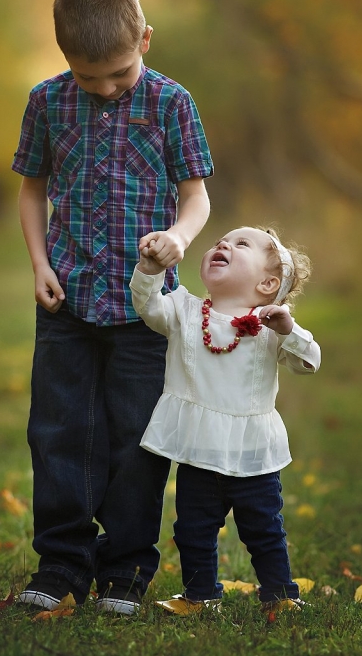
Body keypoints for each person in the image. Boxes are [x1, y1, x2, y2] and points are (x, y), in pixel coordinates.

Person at [11, 0, 213, 614]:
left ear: (145, 41)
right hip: (66, 298)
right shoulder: (47, 102)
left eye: (118, 73)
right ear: (63, 56)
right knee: (58, 431)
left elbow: (196, 195)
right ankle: (62, 564)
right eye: (86, 75)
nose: (103, 87)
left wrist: (180, 238)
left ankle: (125, 568)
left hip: (145, 308)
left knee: (137, 435)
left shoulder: (171, 104)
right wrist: (40, 263)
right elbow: (32, 188)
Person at [130, 225, 321, 613]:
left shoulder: (269, 326)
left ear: (268, 283)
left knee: (264, 529)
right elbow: (148, 307)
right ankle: (200, 597)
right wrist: (149, 269)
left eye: (241, 244)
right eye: (222, 240)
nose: (223, 244)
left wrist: (289, 329)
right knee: (192, 530)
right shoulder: (184, 310)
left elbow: (309, 362)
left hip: (252, 455)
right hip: (199, 449)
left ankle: (281, 596)